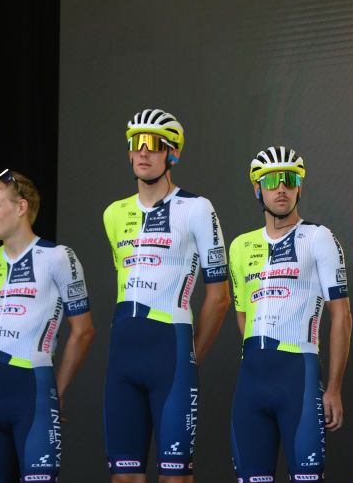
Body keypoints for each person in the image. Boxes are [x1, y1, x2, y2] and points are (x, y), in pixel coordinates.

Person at [102, 109, 230, 482]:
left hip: (169, 347)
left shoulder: (197, 208)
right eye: (136, 144)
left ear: (172, 154)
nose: (143, 152)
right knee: (124, 476)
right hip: (123, 350)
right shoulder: (114, 213)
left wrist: (193, 356)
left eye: (154, 145)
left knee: (175, 476)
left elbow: (219, 296)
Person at [228, 145, 351, 482]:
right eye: (271, 181)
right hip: (252, 378)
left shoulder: (319, 237)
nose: (281, 188)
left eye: (289, 179)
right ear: (258, 188)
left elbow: (342, 315)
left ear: (300, 186)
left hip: (298, 373)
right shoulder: (239, 246)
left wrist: (335, 388)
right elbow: (243, 314)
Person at [0, 169, 95, 483]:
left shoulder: (58, 257)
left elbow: (84, 330)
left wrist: (57, 389)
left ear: (21, 207)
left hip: (32, 393)